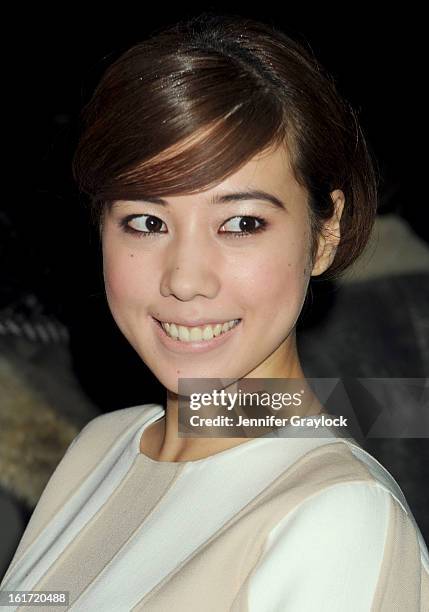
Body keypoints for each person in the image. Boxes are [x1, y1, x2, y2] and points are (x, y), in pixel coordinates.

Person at [1, 12, 428, 611]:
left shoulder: (336, 517)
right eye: (147, 222)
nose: (185, 279)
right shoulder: (102, 447)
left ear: (324, 232)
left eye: (242, 223)